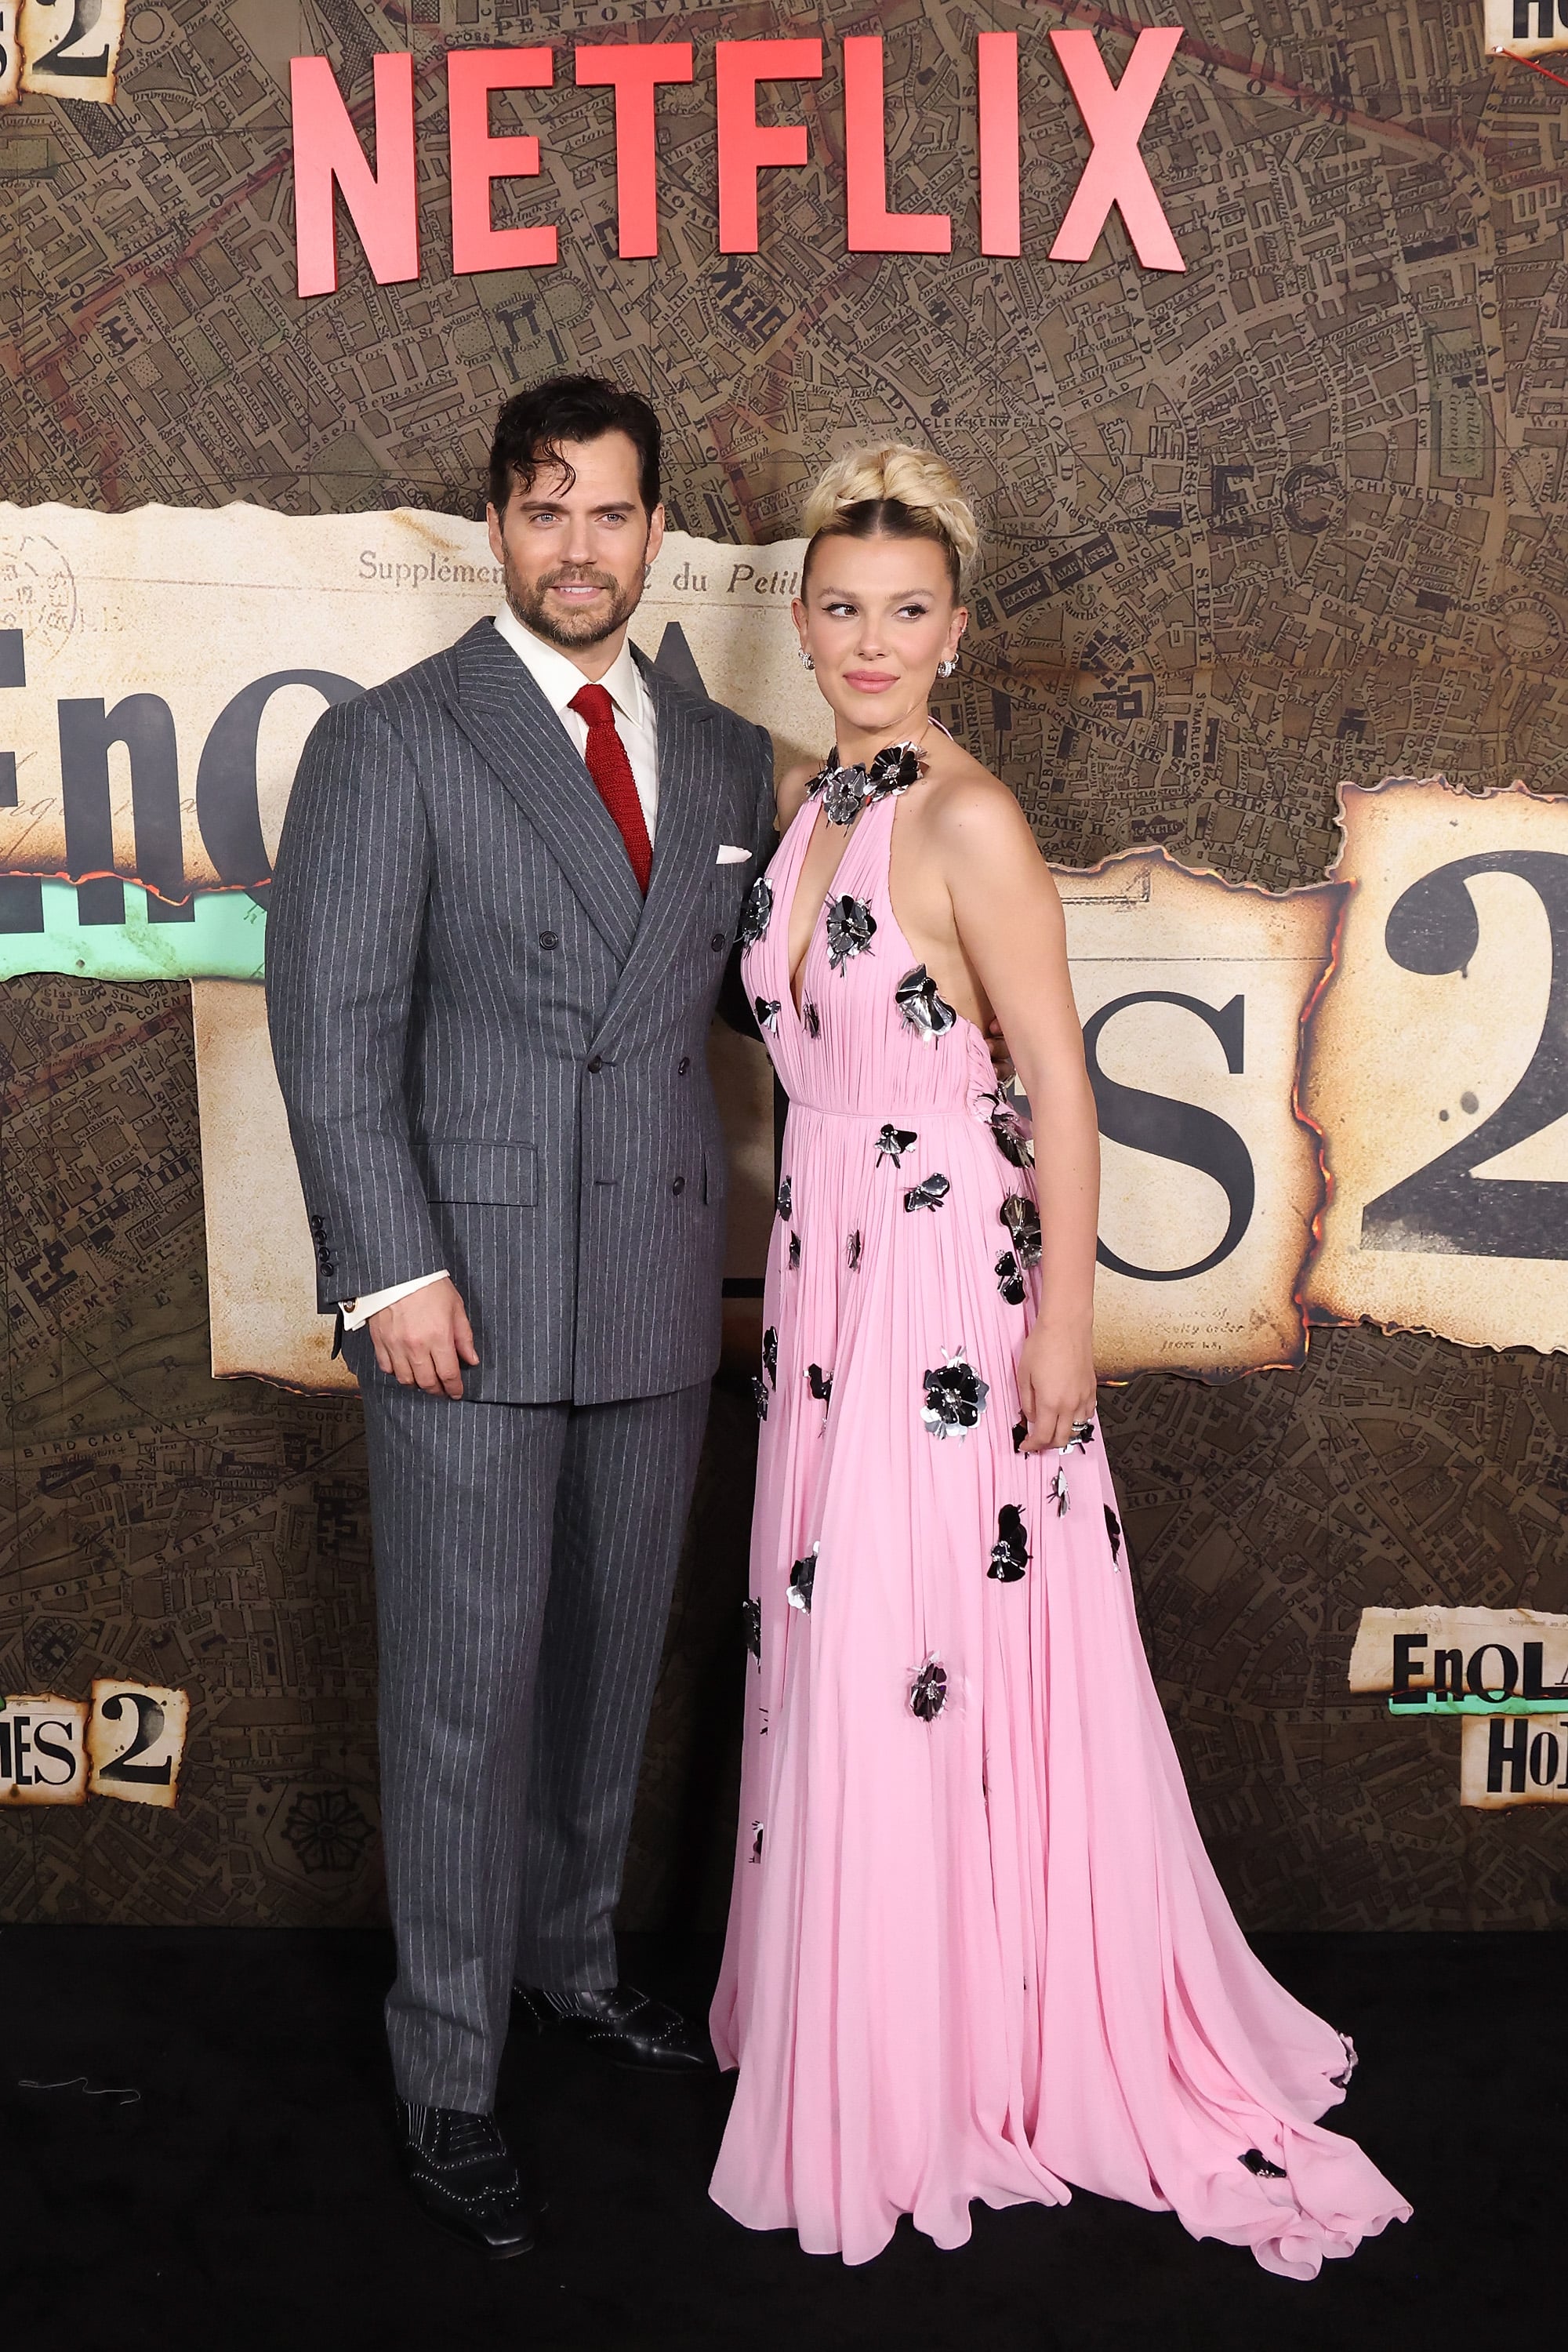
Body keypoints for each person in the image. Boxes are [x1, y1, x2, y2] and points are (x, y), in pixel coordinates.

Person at [708, 445, 1411, 2278]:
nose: (872, 642)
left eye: (907, 612)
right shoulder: (808, 808)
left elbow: (1063, 1079)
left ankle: (962, 2048)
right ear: (804, 620)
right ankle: (863, 2023)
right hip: (825, 1284)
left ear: (957, 628)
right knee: (835, 1639)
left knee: (916, 1641)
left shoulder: (968, 819)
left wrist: (1063, 1329)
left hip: (943, 1280)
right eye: (841, 609)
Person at [266, 376, 774, 2257]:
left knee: (602, 1672)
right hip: (455, 1306)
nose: (581, 546)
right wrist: (388, 1271)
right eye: (547, 509)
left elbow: (754, 997)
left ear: (657, 539)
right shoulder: (392, 742)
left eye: (614, 514)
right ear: (498, 521)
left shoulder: (715, 756)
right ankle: (448, 2069)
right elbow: (332, 1034)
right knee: (464, 1702)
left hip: (648, 1290)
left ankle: (568, 1965)